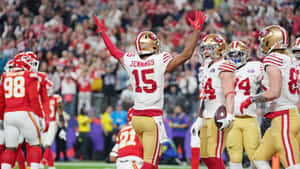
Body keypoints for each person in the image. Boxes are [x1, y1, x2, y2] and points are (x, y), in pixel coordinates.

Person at [94, 10, 206, 169]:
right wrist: (196, 31)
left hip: (137, 118)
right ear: (152, 45)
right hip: (151, 118)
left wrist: (103, 33)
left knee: (153, 160)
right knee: (150, 163)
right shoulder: (159, 60)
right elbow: (186, 55)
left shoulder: (131, 60)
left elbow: (114, 51)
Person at [240, 25, 300, 169]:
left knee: (293, 165)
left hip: (284, 118)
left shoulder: (273, 59)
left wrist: (252, 99)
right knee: (258, 160)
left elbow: (274, 92)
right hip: (283, 117)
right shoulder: (290, 60)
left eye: (264, 40)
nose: (262, 44)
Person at [0, 53, 48, 169]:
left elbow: (1, 101)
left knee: (10, 148)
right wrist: (41, 116)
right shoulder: (29, 75)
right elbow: (33, 99)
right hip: (24, 112)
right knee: (35, 144)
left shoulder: (5, 76)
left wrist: (1, 118)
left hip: (8, 115)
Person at [197, 34, 236, 169]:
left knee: (214, 155)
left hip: (218, 115)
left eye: (209, 48)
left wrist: (229, 115)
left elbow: (229, 93)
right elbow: (203, 95)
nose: (206, 52)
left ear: (219, 49)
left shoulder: (224, 65)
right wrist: (199, 118)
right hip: (207, 114)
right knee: (205, 155)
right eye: (205, 49)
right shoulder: (206, 67)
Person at [226, 41, 263, 169]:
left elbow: (269, 86)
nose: (235, 59)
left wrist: (261, 105)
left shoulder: (256, 66)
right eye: (232, 55)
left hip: (249, 117)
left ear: (245, 55)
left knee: (256, 156)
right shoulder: (223, 69)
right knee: (234, 157)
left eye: (238, 55)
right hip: (231, 119)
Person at [40, 81, 64, 169]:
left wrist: (62, 125)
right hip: (43, 122)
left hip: (52, 123)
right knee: (45, 144)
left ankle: (42, 163)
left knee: (47, 144)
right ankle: (51, 166)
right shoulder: (41, 98)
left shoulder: (56, 98)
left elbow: (60, 112)